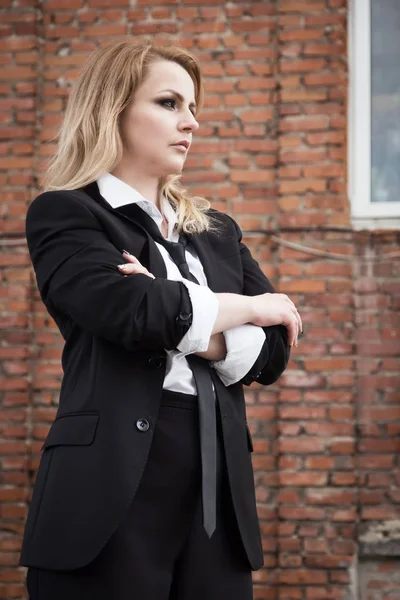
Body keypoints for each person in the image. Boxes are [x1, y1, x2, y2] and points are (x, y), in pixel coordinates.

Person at [19, 40, 302, 600]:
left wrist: (187, 321)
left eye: (193, 108)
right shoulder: (67, 214)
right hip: (109, 486)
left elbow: (272, 354)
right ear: (113, 109)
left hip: (217, 490)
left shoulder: (219, 231)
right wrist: (247, 307)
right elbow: (132, 312)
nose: (190, 123)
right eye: (170, 103)